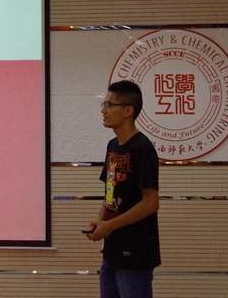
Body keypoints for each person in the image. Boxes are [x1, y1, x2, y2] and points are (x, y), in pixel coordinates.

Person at [86, 80, 161, 298]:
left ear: (128, 111)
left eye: (109, 105)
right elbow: (110, 192)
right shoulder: (113, 146)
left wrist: (110, 226)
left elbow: (151, 202)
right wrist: (100, 221)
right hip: (112, 250)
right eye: (104, 104)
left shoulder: (142, 148)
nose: (104, 110)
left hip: (135, 251)